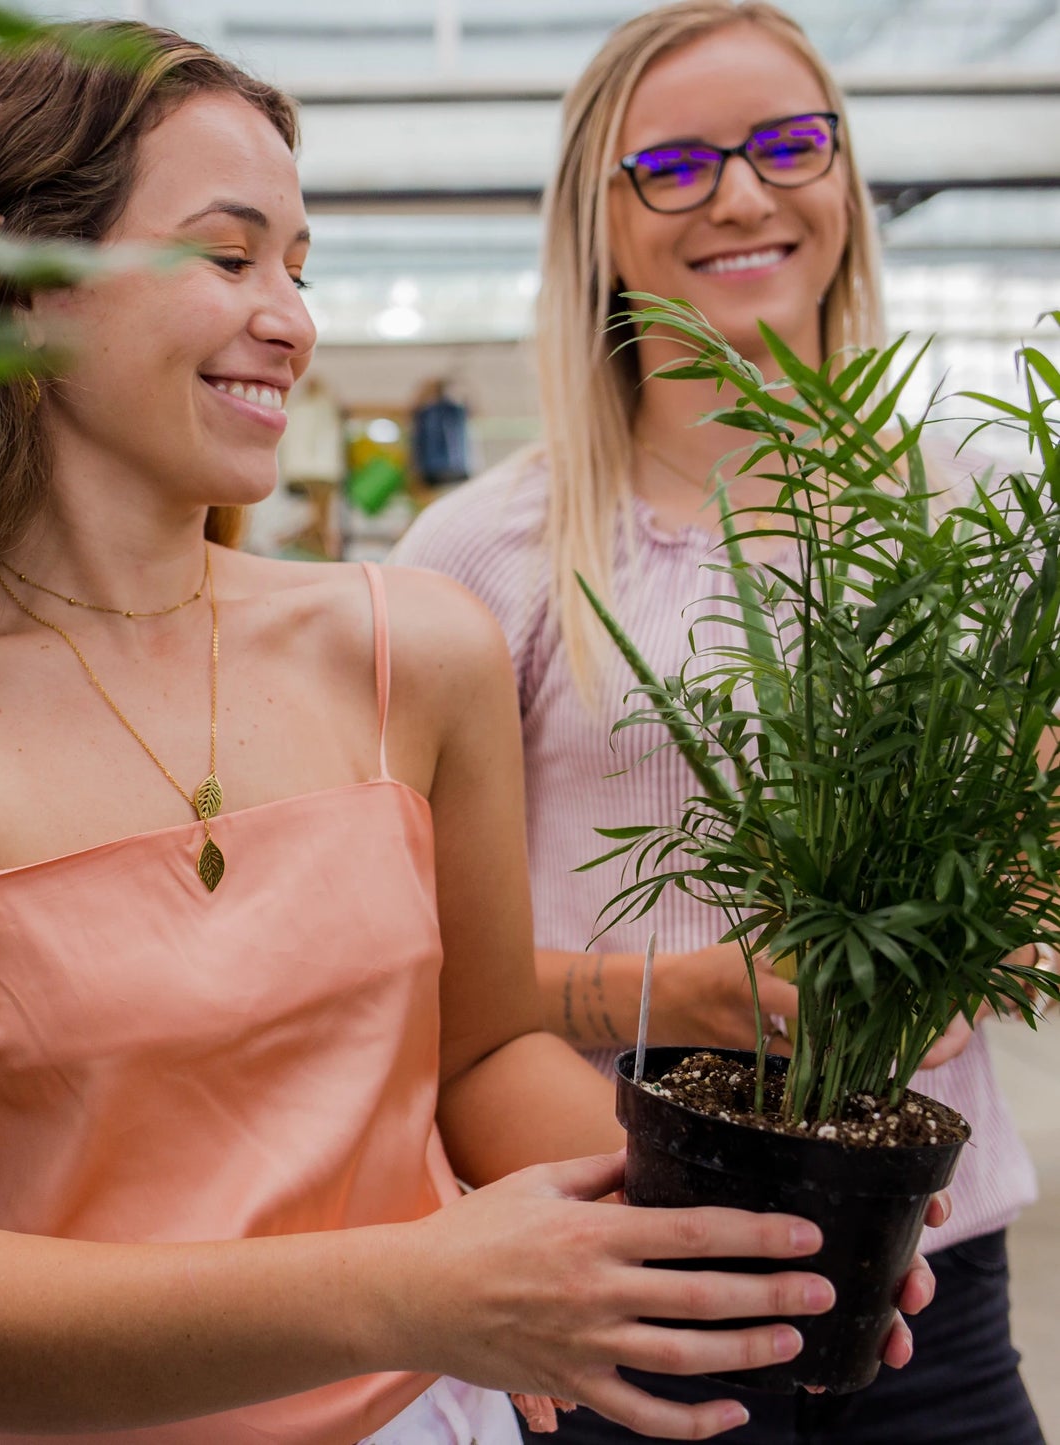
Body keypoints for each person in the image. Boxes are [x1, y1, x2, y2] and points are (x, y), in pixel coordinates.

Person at [0, 20, 883, 1445]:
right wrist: (413, 1286)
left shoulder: (408, 646)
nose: (291, 316)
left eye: (298, 267)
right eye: (225, 255)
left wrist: (742, 1230)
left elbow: (481, 1060)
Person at [389, 4, 1043, 1443]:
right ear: (595, 223)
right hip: (622, 1254)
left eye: (787, 145)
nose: (742, 195)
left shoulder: (972, 511)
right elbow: (406, 963)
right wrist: (667, 997)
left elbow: (1036, 863)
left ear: (843, 184)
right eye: (674, 165)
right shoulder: (481, 556)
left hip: (934, 1274)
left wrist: (962, 959)